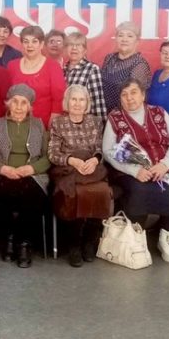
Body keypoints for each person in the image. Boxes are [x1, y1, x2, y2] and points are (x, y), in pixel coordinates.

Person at [103, 78, 169, 263]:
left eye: (133, 93)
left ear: (143, 95)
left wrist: (165, 164)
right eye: (124, 95)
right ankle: (136, 237)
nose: (129, 98)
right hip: (130, 171)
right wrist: (134, 171)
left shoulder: (159, 112)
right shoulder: (115, 118)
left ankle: (166, 237)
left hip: (163, 167)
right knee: (139, 190)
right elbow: (108, 151)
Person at [0, 84, 51, 268]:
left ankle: (24, 243)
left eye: (24, 103)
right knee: (3, 191)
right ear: (8, 104)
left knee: (29, 193)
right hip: (1, 172)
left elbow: (47, 157)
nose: (19, 107)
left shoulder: (38, 124)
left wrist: (32, 169)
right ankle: (9, 239)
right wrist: (3, 169)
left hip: (31, 174)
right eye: (15, 102)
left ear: (30, 106)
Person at [48, 85, 112, 267]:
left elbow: (100, 148)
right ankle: (74, 244)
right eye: (73, 99)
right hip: (68, 168)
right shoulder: (58, 123)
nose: (77, 103)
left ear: (87, 103)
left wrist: (94, 160)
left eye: (81, 99)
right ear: (67, 102)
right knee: (75, 193)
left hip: (92, 167)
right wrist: (72, 161)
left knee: (101, 192)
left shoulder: (95, 122)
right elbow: (53, 153)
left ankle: (90, 240)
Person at [7, 25, 65, 128]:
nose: (30, 45)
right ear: (22, 44)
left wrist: (51, 125)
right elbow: (8, 97)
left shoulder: (53, 66)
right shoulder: (12, 65)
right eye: (26, 41)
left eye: (34, 41)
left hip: (43, 125)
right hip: (16, 124)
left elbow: (58, 100)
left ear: (41, 44)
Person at [100, 21, 152, 113]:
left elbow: (134, 99)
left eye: (130, 36)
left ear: (137, 41)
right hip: (104, 112)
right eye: (120, 35)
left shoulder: (139, 64)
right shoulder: (109, 58)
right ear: (116, 39)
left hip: (125, 115)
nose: (124, 39)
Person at [62, 32, 107, 120]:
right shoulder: (62, 70)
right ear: (66, 48)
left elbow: (97, 101)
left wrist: (100, 124)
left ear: (85, 50)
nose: (74, 48)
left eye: (78, 45)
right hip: (64, 122)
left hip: (84, 123)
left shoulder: (92, 69)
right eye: (71, 44)